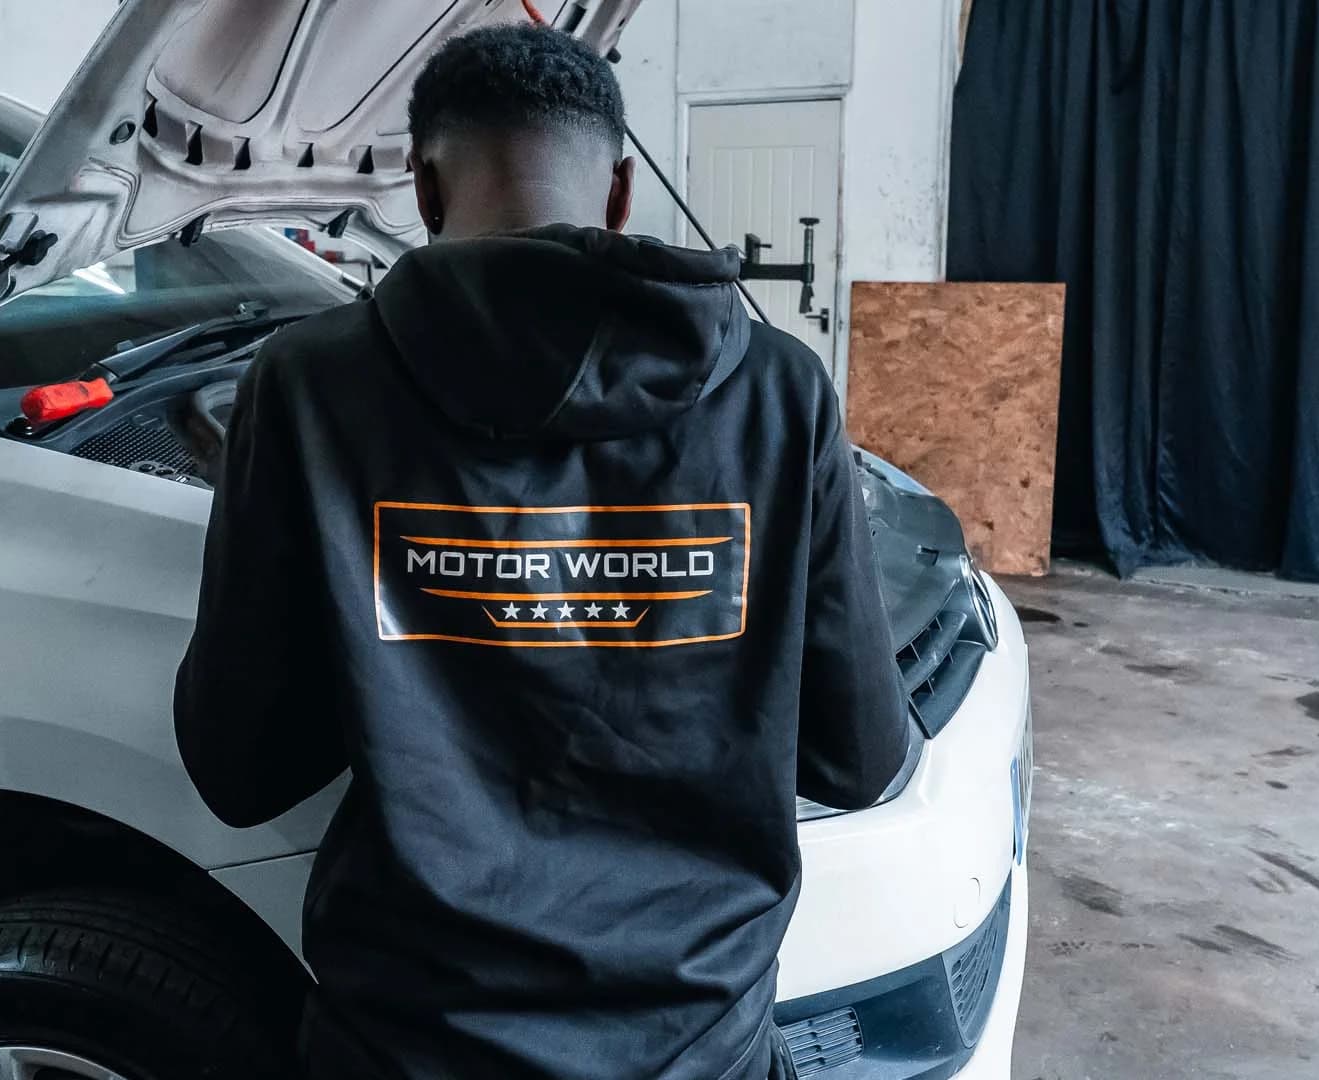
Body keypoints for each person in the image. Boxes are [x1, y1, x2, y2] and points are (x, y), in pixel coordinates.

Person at [174, 23, 907, 1080]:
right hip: (696, 1046)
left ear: (423, 191)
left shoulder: (310, 387)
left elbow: (239, 770)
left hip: (413, 1045)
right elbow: (863, 758)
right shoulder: (782, 393)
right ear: (617, 192)